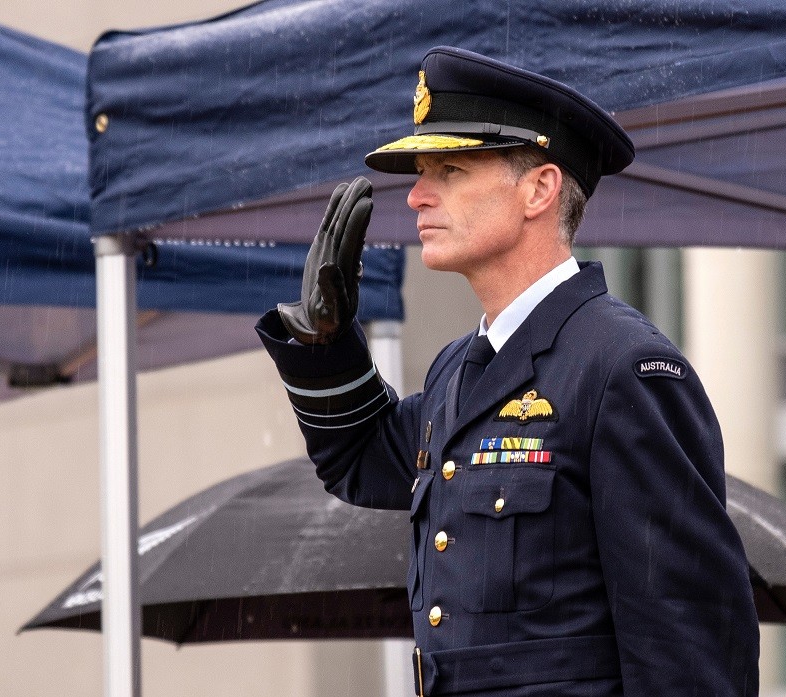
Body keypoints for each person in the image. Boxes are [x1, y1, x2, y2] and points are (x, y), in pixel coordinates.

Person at [257, 46, 759, 696]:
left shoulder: (624, 368)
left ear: (539, 189)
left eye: (451, 169)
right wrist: (324, 342)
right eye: (421, 173)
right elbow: (361, 460)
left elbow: (688, 657)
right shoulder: (459, 369)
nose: (416, 195)